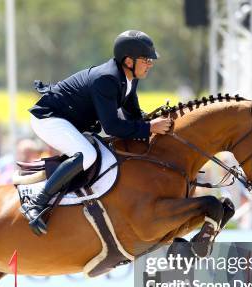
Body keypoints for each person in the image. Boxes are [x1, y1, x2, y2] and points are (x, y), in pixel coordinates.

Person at [21, 30, 173, 235]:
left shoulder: (130, 78)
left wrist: (151, 121)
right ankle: (36, 203)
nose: (150, 64)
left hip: (69, 120)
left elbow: (132, 114)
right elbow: (111, 127)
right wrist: (149, 128)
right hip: (49, 119)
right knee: (87, 154)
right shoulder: (107, 79)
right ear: (129, 61)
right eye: (146, 59)